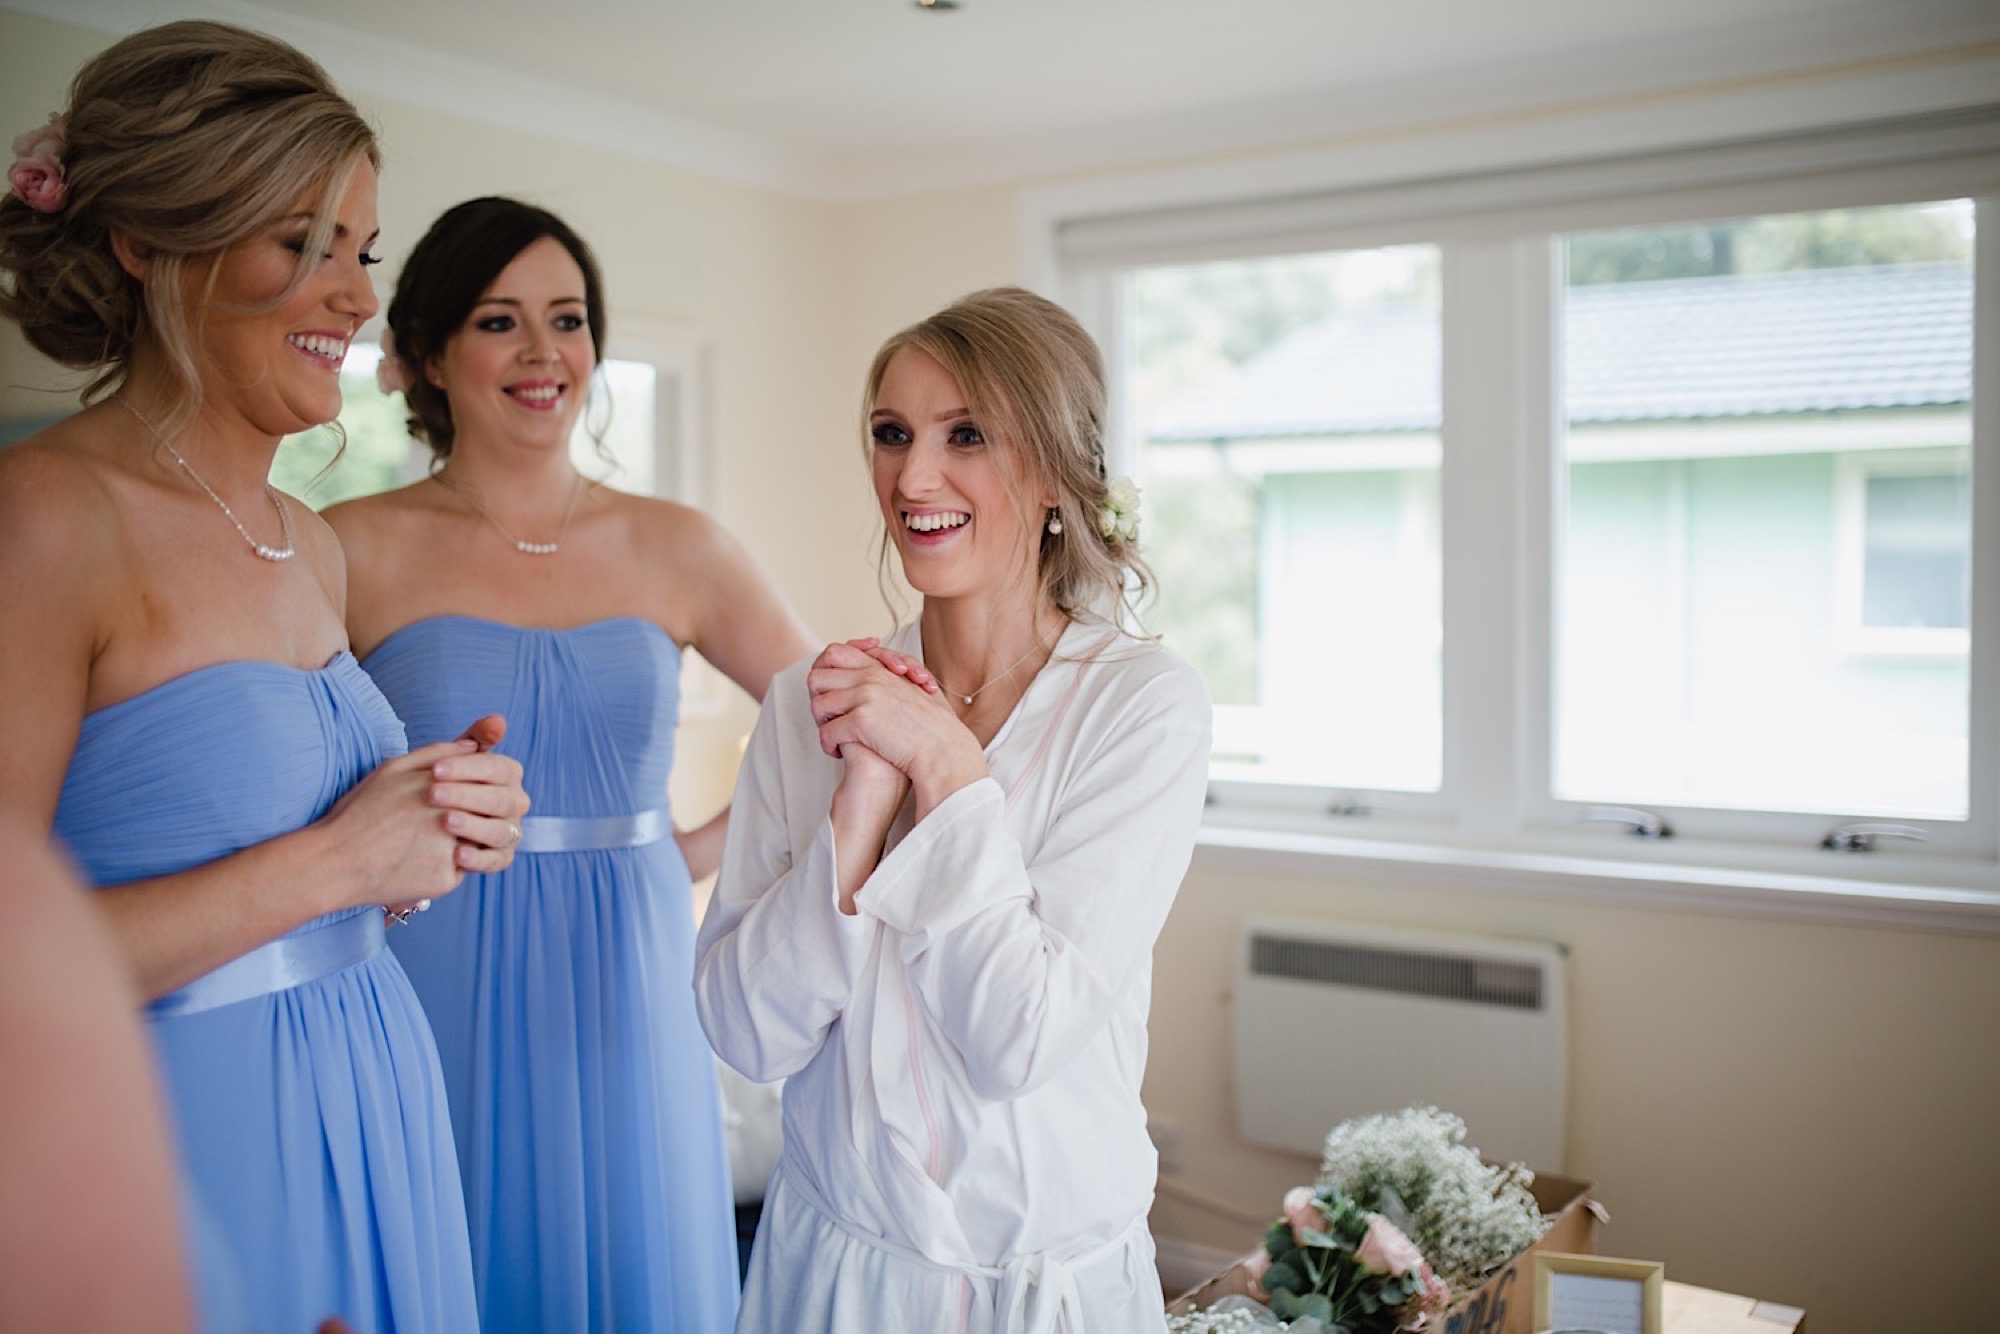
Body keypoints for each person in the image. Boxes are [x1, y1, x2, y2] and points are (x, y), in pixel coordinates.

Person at [0, 21, 528, 1333]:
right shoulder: (47, 518)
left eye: (362, 252)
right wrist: (339, 863)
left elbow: (302, 865)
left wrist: (422, 833)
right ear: (147, 243)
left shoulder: (310, 543)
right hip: (194, 1148)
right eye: (301, 243)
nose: (354, 298)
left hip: (382, 1100)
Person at [326, 195, 817, 1333]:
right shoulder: (351, 546)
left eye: (569, 317)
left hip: (631, 958)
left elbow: (829, 719)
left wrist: (694, 849)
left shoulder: (675, 542)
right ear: (431, 353)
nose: (545, 353)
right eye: (501, 321)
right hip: (427, 950)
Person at [694, 286, 1213, 1333]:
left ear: (1057, 472)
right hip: (829, 1279)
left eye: (964, 433)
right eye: (891, 434)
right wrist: (855, 818)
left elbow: (1015, 1037)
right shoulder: (813, 701)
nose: (910, 477)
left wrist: (942, 763)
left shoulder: (1140, 706)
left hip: (1048, 1296)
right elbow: (743, 1030)